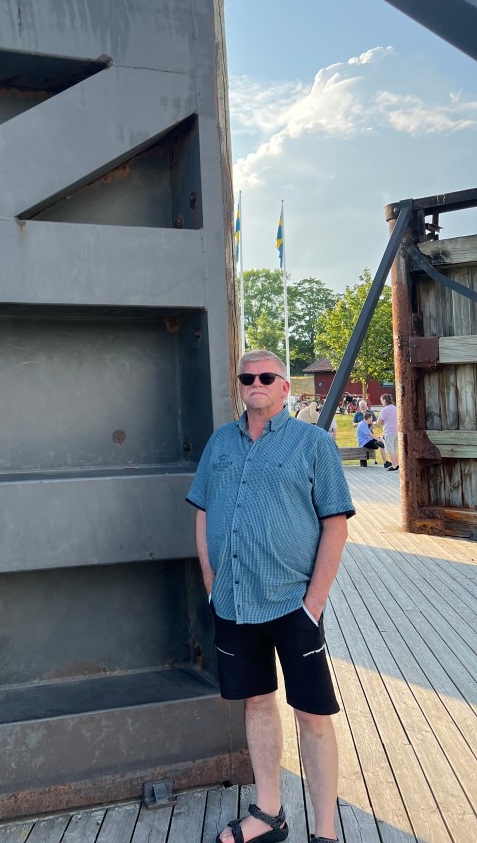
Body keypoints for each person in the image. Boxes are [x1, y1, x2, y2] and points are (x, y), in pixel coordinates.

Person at [188, 349, 355, 843]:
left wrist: (314, 604)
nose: (255, 383)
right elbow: (202, 509)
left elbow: (336, 524)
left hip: (293, 603)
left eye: (266, 376)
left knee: (313, 715)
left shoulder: (313, 443)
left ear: (285, 387)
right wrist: (209, 579)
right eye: (247, 378)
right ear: (240, 386)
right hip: (234, 603)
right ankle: (268, 813)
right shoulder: (220, 443)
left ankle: (324, 831)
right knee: (257, 702)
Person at [377, 394, 399, 471]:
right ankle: (397, 464)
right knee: (395, 449)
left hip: (388, 432)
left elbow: (379, 422)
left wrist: (374, 423)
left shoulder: (384, 410)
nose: (381, 402)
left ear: (385, 400)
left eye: (381, 401)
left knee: (390, 450)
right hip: (396, 431)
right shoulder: (396, 408)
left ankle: (394, 465)